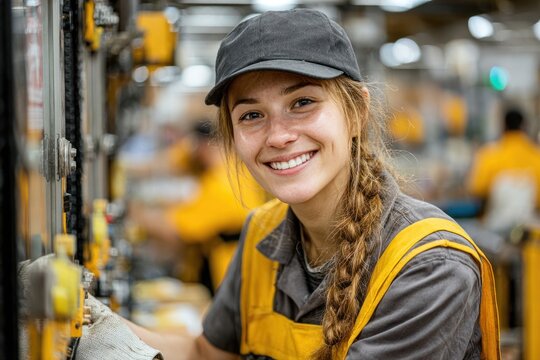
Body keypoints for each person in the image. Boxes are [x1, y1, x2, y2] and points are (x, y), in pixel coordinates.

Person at [19, 9, 500, 360]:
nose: (279, 136)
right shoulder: (263, 235)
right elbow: (208, 352)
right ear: (232, 135)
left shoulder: (428, 268)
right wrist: (95, 325)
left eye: (303, 102)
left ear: (357, 112)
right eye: (252, 115)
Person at [468, 107, 540, 234]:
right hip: (528, 229)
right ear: (524, 127)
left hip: (495, 228)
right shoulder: (536, 156)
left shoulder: (489, 154)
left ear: (503, 126)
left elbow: (477, 189)